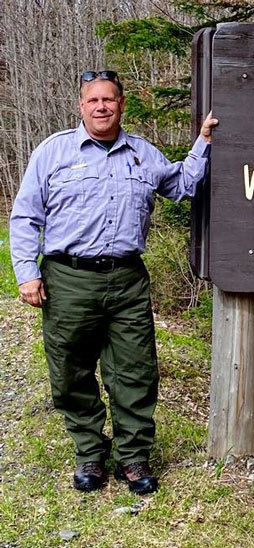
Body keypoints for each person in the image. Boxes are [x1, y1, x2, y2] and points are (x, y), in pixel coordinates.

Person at [10, 70, 217, 494]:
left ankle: (133, 457)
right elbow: (26, 215)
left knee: (135, 371)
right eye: (93, 101)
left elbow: (181, 186)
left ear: (121, 105)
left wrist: (203, 144)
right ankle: (89, 451)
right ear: (81, 106)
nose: (101, 107)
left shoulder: (142, 154)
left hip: (127, 279)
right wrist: (27, 274)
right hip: (68, 278)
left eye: (109, 100)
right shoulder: (53, 152)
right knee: (70, 368)